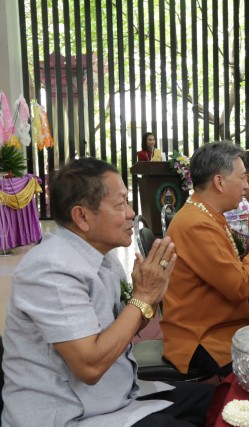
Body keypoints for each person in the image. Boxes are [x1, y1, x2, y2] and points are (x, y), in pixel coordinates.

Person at [2, 157, 214, 426]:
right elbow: (90, 367)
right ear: (82, 216)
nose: (131, 212)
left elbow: (120, 329)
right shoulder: (50, 269)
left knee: (217, 400)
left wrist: (149, 298)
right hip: (70, 415)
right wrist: (142, 298)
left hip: (117, 396)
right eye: (120, 204)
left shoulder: (102, 257)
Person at [161, 143, 249, 379]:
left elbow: (233, 268)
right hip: (203, 337)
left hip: (222, 323)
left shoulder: (207, 213)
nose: (247, 185)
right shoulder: (196, 223)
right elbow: (239, 287)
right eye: (242, 178)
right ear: (219, 182)